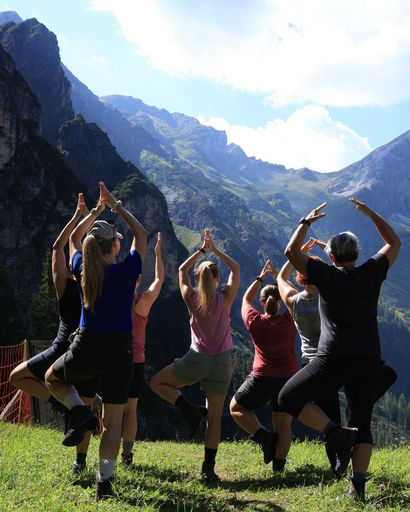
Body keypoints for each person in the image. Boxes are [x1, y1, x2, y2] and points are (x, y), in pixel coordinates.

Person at [278, 197, 401, 500]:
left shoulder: (326, 275)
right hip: (369, 358)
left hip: (332, 358)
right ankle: (357, 488)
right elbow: (394, 242)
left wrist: (305, 223)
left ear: (330, 258)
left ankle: (334, 431)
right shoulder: (372, 271)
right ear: (358, 254)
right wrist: (372, 213)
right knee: (362, 418)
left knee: (288, 396)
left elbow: (291, 252)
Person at [45, 181, 147, 500]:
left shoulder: (82, 269)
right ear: (115, 245)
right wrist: (116, 206)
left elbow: (75, 239)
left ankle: (81, 412)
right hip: (120, 351)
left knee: (52, 379)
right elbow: (141, 235)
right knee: (114, 422)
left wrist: (91, 213)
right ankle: (105, 483)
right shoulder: (128, 271)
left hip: (87, 344)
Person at [9, 193, 98, 474]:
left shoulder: (63, 283)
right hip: (86, 351)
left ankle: (63, 406)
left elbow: (59, 245)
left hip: (62, 347)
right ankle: (79, 463)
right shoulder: (93, 285)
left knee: (17, 377)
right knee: (84, 407)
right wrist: (95, 213)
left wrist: (78, 216)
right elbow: (73, 247)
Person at [150, 228, 240, 482]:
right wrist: (215, 250)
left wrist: (201, 250)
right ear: (217, 278)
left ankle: (189, 408)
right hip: (223, 361)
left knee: (157, 382)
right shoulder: (226, 297)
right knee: (215, 419)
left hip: (196, 360)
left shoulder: (191, 297)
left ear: (199, 280)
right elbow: (236, 270)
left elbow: (180, 271)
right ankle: (208, 469)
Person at [277, 238, 341, 474]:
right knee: (333, 413)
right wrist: (327, 249)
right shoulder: (329, 296)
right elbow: (340, 271)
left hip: (308, 363)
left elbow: (280, 279)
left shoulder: (293, 302)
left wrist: (294, 256)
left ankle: (337, 457)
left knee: (311, 411)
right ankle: (337, 465)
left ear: (301, 278)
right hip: (331, 359)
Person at [230, 260, 298, 473]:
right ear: (281, 301)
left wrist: (260, 277)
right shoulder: (290, 318)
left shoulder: (254, 321)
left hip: (262, 376)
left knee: (236, 408)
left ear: (262, 303)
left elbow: (245, 299)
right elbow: (294, 296)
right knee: (283, 424)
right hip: (289, 377)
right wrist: (280, 278)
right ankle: (279, 468)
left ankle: (263, 437)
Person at [121, 232, 164, 466]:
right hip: (135, 361)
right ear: (137, 281)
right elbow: (159, 281)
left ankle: (106, 446)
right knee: (131, 409)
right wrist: (157, 255)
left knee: (112, 406)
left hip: (113, 359)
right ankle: (127, 454)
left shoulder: (113, 300)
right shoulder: (142, 303)